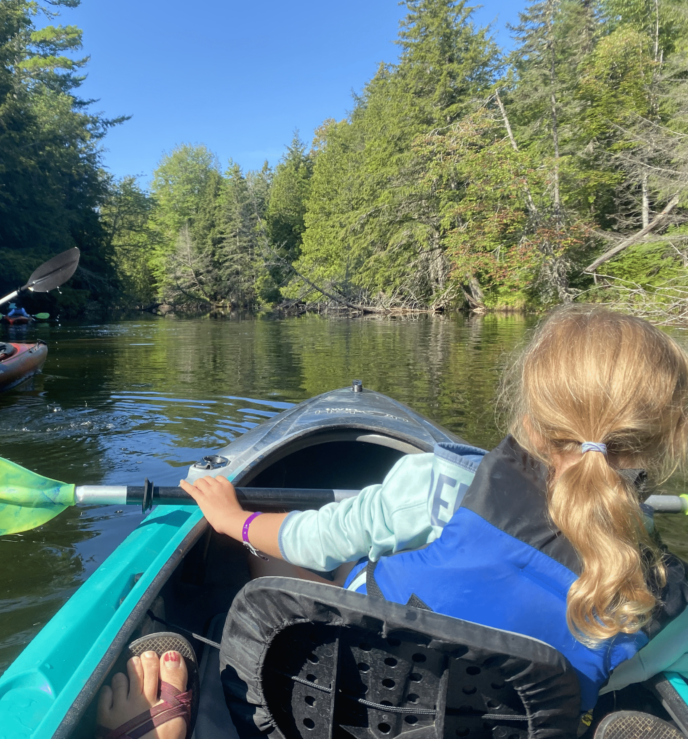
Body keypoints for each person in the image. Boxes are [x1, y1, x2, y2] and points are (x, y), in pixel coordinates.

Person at [179, 306, 688, 720]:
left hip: (339, 705)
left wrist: (234, 521)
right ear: (658, 441)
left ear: (531, 413)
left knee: (299, 564)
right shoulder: (658, 590)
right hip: (511, 726)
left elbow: (310, 540)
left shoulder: (436, 484)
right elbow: (624, 673)